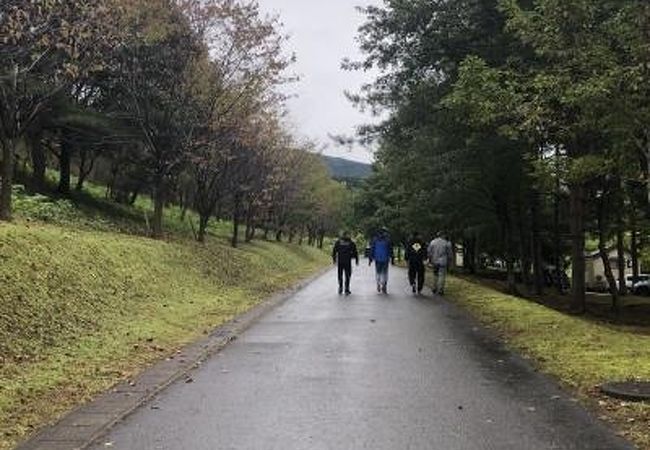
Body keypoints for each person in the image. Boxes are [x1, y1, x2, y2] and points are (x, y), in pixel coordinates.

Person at [369, 227, 393, 294]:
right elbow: (390, 250)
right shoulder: (388, 240)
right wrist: (392, 258)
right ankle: (384, 284)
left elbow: (372, 249)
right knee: (385, 272)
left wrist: (370, 259)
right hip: (385, 258)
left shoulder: (375, 240)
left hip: (377, 258)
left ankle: (378, 283)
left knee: (378, 272)